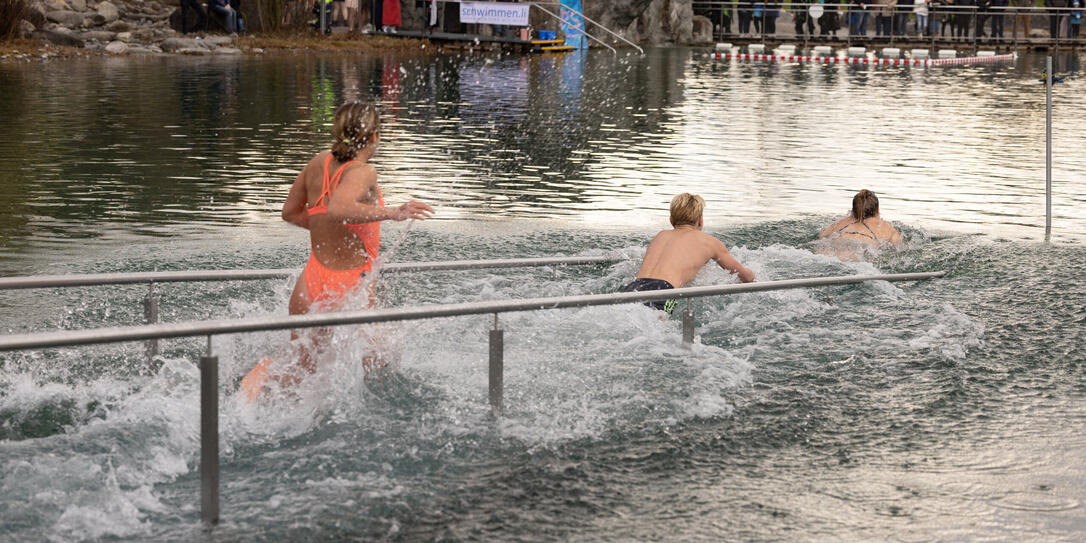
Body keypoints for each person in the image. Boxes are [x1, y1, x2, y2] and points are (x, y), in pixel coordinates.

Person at [240, 102, 433, 401]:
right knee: (376, 356)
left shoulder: (319, 161)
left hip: (309, 282)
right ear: (375, 136)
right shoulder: (364, 171)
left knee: (303, 371)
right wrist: (395, 212)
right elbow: (338, 209)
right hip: (348, 286)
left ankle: (263, 376)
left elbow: (290, 212)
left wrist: (327, 231)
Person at [621, 193, 755, 315]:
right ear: (700, 220)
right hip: (663, 290)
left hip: (632, 288)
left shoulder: (660, 235)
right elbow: (746, 277)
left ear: (671, 220)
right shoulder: (709, 242)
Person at [818, 190, 903, 247]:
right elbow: (899, 247)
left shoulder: (837, 224)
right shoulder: (887, 228)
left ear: (852, 210)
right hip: (863, 255)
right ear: (877, 210)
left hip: (831, 251)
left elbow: (821, 236)